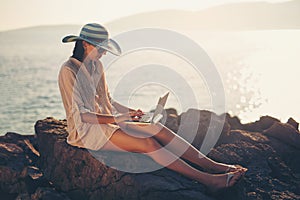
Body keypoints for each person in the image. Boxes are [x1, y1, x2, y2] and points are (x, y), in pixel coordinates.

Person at [58, 23, 247, 193]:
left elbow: (108, 100)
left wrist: (131, 113)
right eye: (100, 49)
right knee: (149, 144)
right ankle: (210, 180)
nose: (103, 54)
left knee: (156, 128)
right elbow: (83, 115)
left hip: (109, 123)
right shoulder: (69, 71)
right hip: (86, 132)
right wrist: (117, 119)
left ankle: (214, 166)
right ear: (85, 44)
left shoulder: (96, 66)